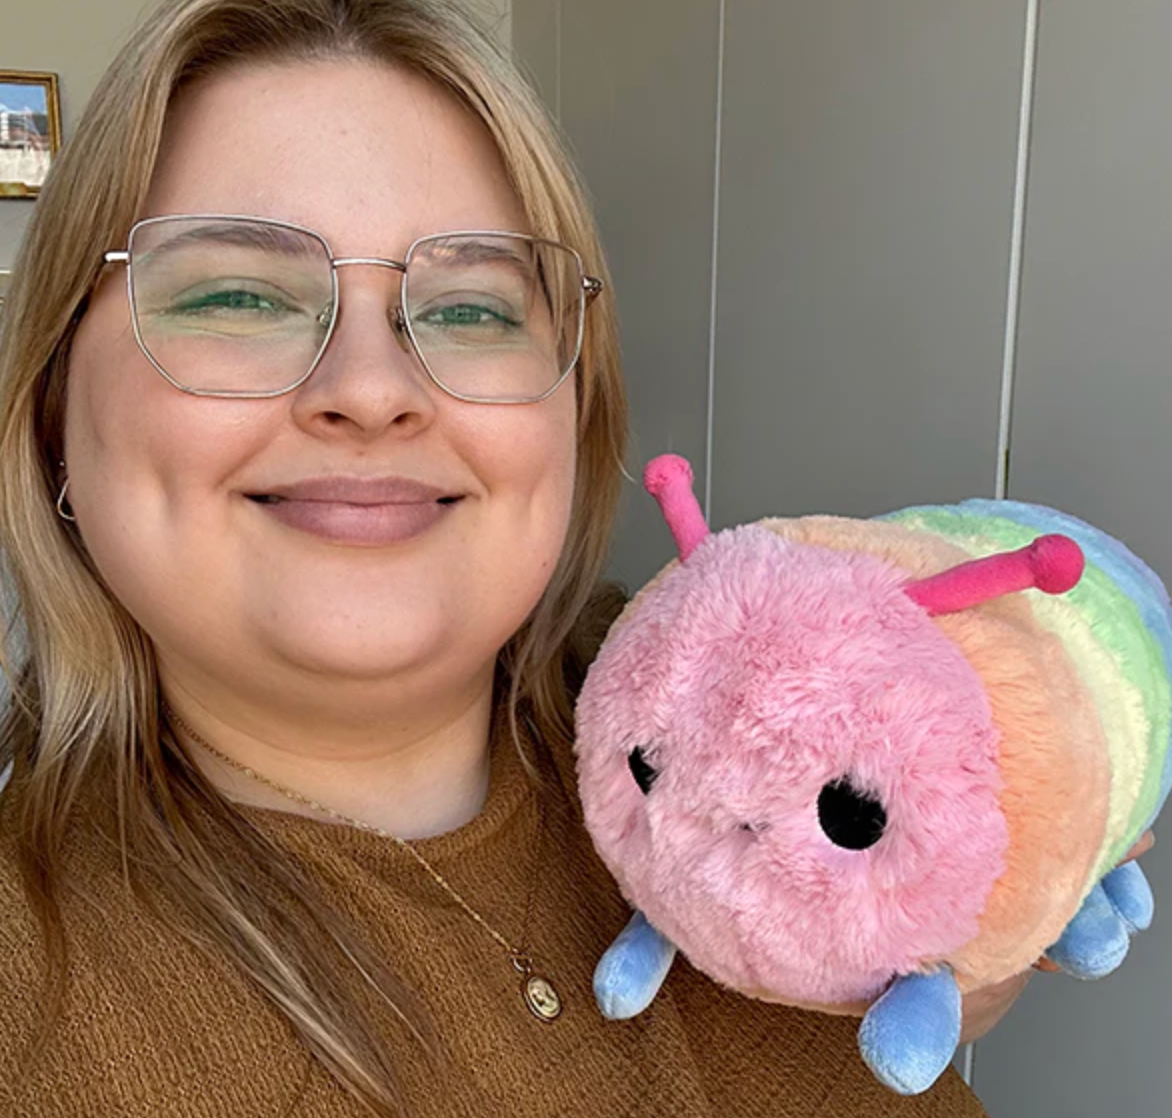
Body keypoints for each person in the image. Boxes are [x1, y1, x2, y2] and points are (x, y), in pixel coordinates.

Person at [0, 0, 1069, 1113]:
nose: (370, 389)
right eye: (237, 294)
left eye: (468, 307)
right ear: (52, 409)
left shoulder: (769, 739)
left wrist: (1015, 880)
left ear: (571, 415)